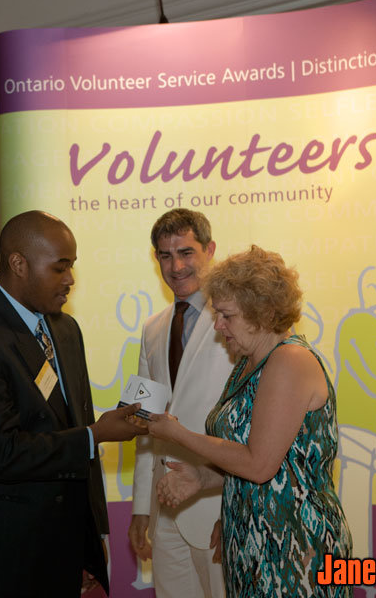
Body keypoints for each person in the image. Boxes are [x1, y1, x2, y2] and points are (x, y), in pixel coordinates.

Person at [0, 210, 146, 598]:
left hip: (65, 549)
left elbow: (72, 428)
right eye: (59, 268)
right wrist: (95, 435)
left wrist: (90, 539)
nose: (70, 280)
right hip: (0, 557)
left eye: (72, 267)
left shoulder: (64, 328)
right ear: (18, 263)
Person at [147, 245, 352, 598]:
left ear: (262, 313)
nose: (218, 325)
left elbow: (259, 464)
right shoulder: (248, 363)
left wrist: (178, 434)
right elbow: (256, 457)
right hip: (255, 540)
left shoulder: (290, 361)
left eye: (227, 315)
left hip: (294, 546)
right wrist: (203, 477)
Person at [128, 209, 232, 597]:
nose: (177, 266)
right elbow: (143, 421)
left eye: (186, 252)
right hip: (165, 509)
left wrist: (234, 511)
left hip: (217, 502)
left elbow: (252, 422)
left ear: (210, 250)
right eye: (165, 256)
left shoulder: (237, 320)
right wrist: (141, 509)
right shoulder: (152, 328)